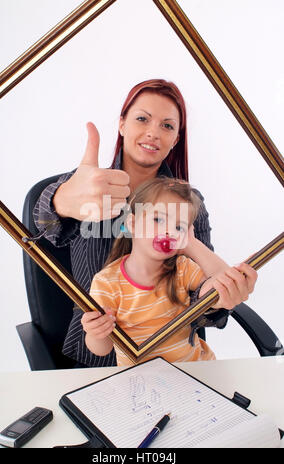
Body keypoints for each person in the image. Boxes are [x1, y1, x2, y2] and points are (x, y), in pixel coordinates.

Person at [33, 79, 257, 367]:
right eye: (142, 119)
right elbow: (40, 231)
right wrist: (60, 200)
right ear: (123, 124)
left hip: (175, 359)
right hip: (99, 359)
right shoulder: (90, 187)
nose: (153, 133)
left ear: (176, 139)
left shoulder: (189, 205)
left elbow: (207, 297)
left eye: (167, 125)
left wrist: (221, 294)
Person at [82, 177, 256, 365]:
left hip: (194, 368)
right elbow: (101, 349)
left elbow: (222, 284)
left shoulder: (182, 268)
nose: (168, 231)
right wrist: (96, 332)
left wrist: (191, 243)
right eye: (158, 219)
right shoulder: (106, 282)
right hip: (141, 380)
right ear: (132, 224)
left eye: (178, 227)